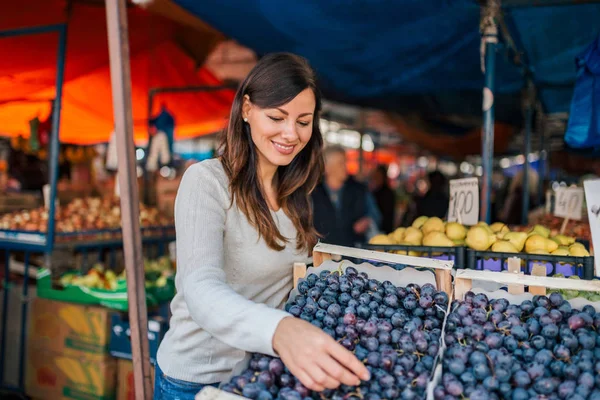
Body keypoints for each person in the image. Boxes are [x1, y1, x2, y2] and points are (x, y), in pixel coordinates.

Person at [154, 53, 369, 400]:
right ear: (246, 110)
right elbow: (199, 287)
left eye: (303, 121)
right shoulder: (206, 181)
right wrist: (280, 330)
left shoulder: (297, 192)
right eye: (277, 117)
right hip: (196, 380)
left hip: (261, 376)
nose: (291, 133)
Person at [311, 145, 377, 247]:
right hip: (323, 252)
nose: (345, 166)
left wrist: (368, 221)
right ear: (327, 168)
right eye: (340, 163)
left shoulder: (359, 189)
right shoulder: (313, 192)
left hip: (354, 253)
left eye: (345, 162)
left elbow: (375, 215)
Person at [370, 165, 396, 233]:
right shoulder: (375, 192)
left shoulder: (387, 193)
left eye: (378, 176)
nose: (375, 178)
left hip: (384, 229)